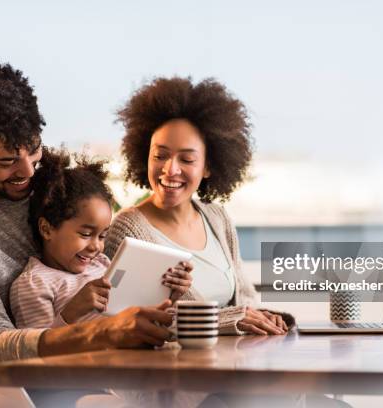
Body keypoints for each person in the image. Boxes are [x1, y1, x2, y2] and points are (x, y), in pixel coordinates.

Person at [0, 61, 173, 378]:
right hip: (27, 390)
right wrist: (103, 333)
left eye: (34, 150)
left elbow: (103, 256)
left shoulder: (50, 185)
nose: (26, 173)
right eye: (7, 161)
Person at [105, 76, 294, 335]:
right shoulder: (128, 229)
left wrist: (262, 318)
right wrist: (233, 319)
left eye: (187, 159)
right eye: (160, 156)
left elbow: (246, 298)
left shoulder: (217, 218)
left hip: (234, 362)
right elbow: (133, 321)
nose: (170, 169)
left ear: (207, 167)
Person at [10, 146, 192, 329]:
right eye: (86, 234)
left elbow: (136, 316)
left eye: (103, 235)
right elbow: (35, 349)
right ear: (46, 229)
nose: (96, 246)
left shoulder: (102, 265)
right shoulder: (35, 284)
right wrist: (71, 312)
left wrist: (168, 297)